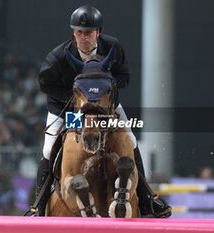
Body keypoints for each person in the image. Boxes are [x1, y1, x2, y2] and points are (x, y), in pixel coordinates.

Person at [33, 5, 171, 217]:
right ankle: (38, 207)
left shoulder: (112, 47)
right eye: (79, 32)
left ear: (98, 32)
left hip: (105, 107)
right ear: (73, 34)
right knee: (48, 147)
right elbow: (44, 83)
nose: (84, 37)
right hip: (70, 108)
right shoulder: (59, 56)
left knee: (131, 140)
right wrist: (73, 97)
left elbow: (124, 77)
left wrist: (106, 86)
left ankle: (147, 201)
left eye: (88, 32)